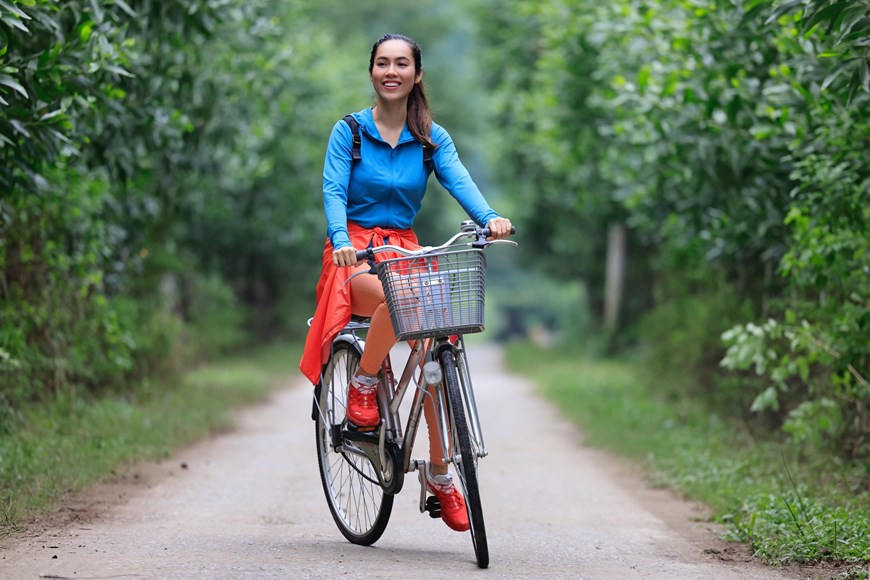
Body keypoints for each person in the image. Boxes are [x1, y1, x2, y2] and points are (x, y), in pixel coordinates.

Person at [300, 33, 512, 533]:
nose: (391, 71)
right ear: (371, 72)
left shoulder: (430, 137)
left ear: (417, 74)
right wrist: (339, 237)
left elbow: (458, 179)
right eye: (382, 63)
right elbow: (332, 189)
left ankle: (440, 472)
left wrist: (491, 217)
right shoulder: (349, 132)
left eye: (401, 64)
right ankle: (364, 383)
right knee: (401, 302)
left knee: (440, 337)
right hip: (353, 251)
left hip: (404, 250)